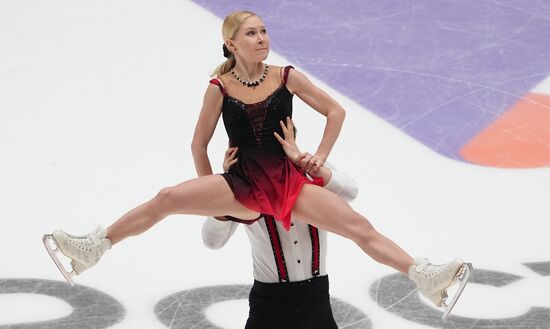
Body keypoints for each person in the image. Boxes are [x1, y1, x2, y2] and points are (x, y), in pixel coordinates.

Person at [43, 10, 471, 318]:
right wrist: (213, 192)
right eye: (251, 33)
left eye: (264, 31)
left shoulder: (286, 76)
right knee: (167, 198)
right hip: (240, 183)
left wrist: (317, 158)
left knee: (359, 227)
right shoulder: (219, 86)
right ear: (232, 43)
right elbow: (199, 143)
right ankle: (93, 248)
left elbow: (336, 112)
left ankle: (424, 275)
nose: (261, 38)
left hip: (287, 179)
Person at [202, 121, 358, 328]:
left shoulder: (311, 171)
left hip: (317, 297)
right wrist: (227, 187)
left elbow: (350, 192)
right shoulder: (242, 185)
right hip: (269, 302)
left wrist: (313, 167)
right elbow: (213, 241)